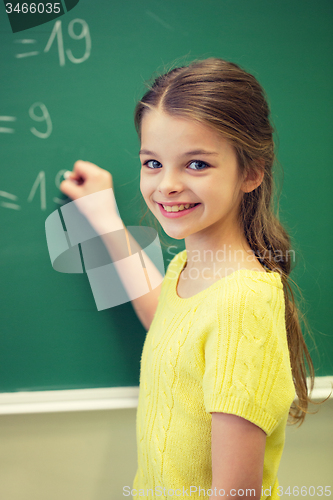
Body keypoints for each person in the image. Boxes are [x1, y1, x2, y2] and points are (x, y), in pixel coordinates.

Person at [60, 58, 325, 499]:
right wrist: (104, 216)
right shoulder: (188, 269)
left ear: (252, 172)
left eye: (197, 164)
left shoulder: (242, 303)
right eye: (152, 163)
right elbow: (165, 320)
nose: (166, 185)